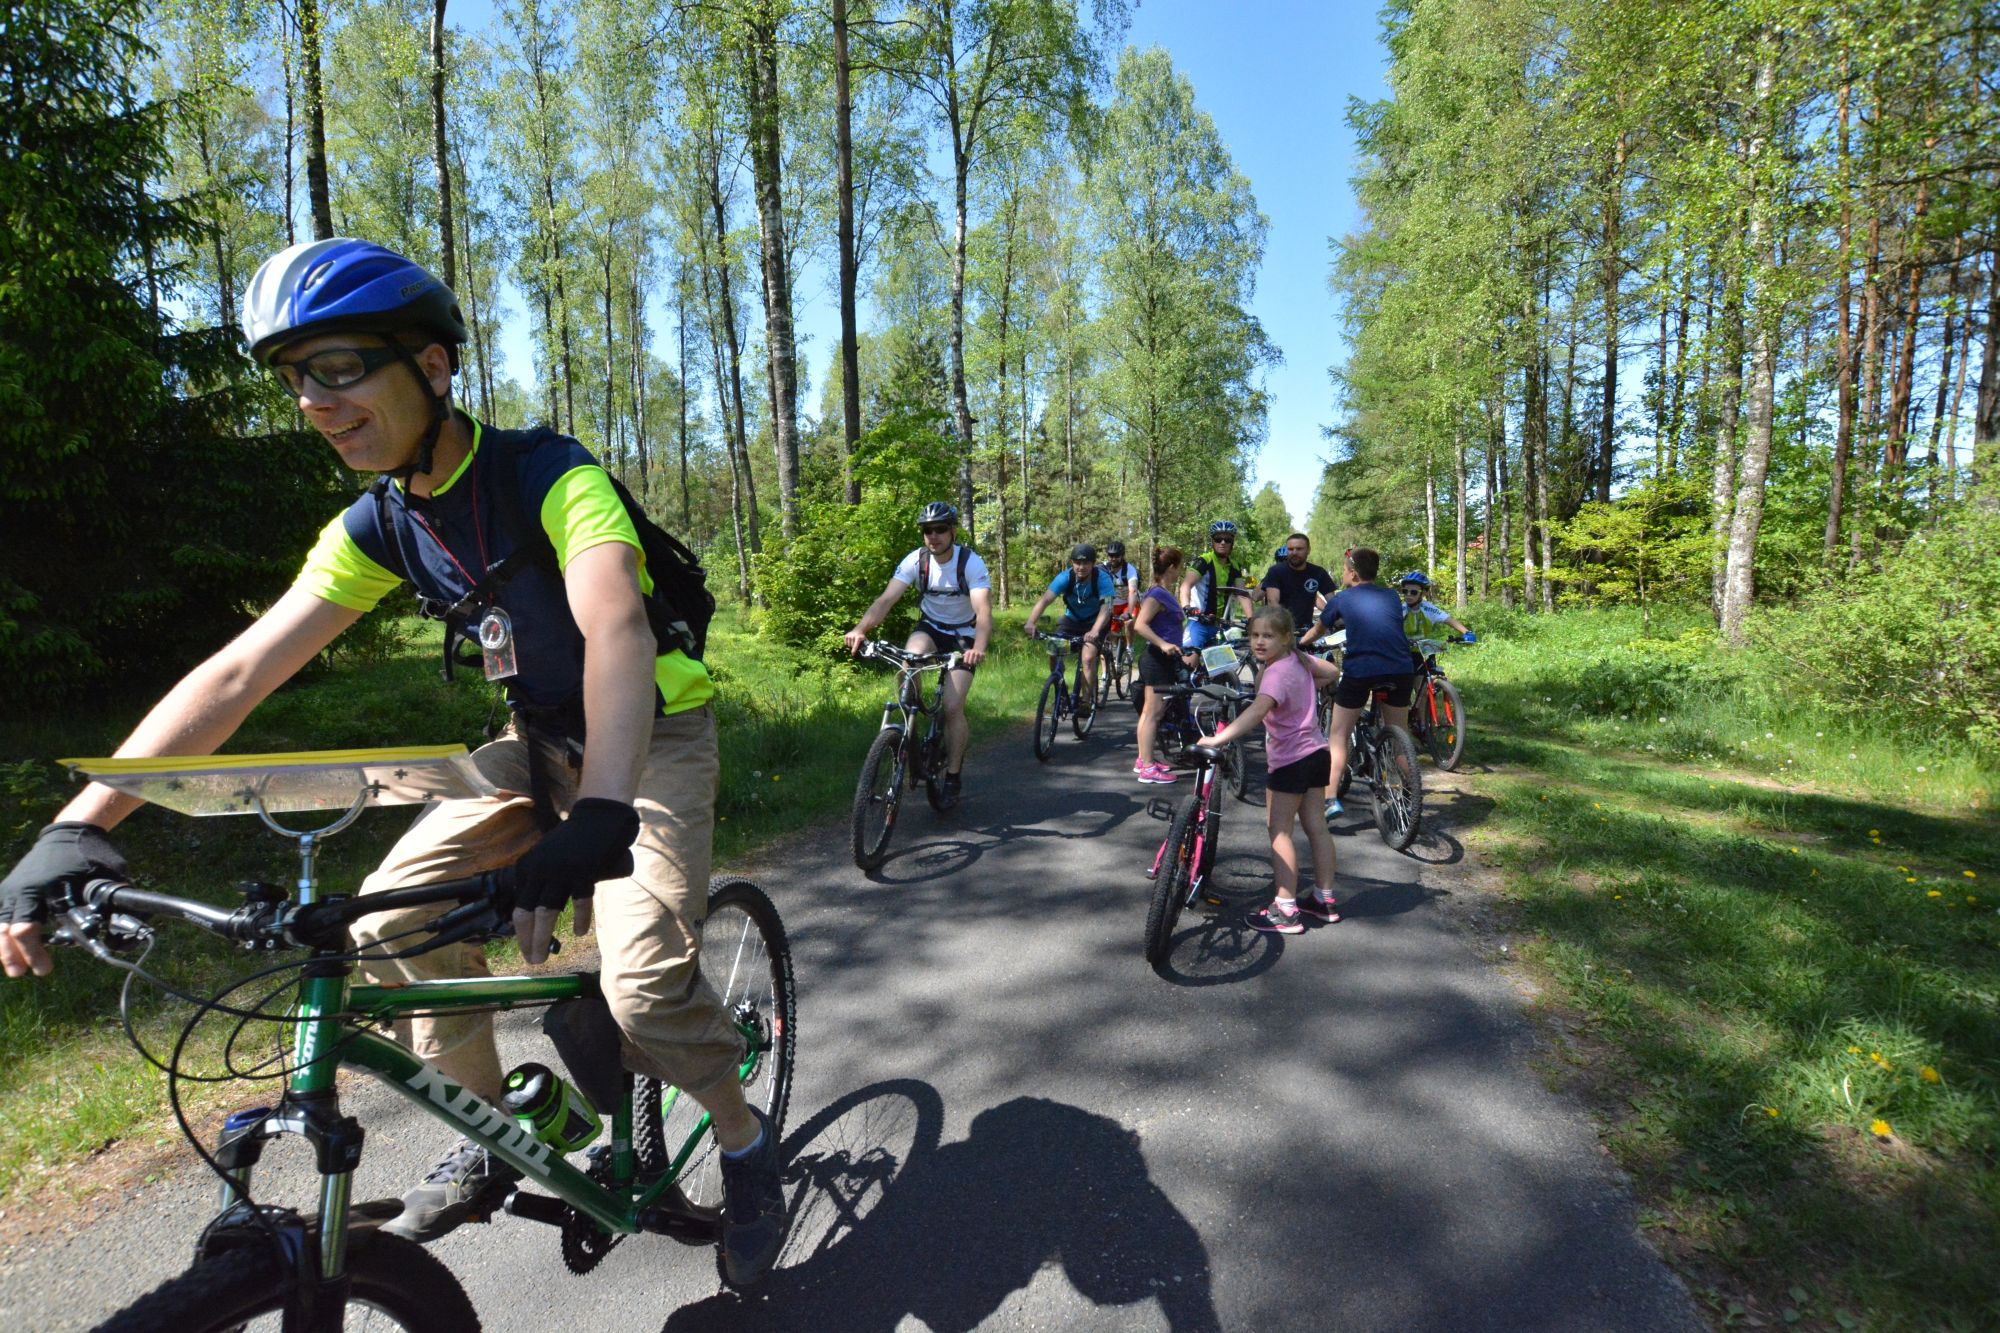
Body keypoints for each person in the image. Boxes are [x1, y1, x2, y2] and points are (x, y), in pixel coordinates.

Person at [0, 238, 787, 1284]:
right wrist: (81, 823)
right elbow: (241, 670)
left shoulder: (551, 474)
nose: (312, 403)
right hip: (535, 746)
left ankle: (742, 1138)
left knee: (641, 985)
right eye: (294, 378)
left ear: (432, 365)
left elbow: (616, 630)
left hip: (649, 740)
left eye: (337, 367)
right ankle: (489, 1126)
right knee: (384, 923)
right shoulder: (381, 524)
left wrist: (604, 808)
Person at [1198, 605, 1343, 933]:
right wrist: (1306, 686)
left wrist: (1219, 738)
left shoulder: (1276, 673)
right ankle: (1324, 899)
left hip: (1290, 760)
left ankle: (1286, 908)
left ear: (1286, 637)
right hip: (1316, 754)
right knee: (1317, 827)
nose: (1259, 642)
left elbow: (1258, 711)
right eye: (1254, 635)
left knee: (1279, 831)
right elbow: (1332, 672)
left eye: (1268, 636)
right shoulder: (1300, 661)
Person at [843, 502, 992, 810]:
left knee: (952, 707)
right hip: (931, 627)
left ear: (952, 531)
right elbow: (886, 600)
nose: (933, 536)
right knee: (908, 663)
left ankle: (953, 776)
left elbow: (983, 610)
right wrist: (860, 629)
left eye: (940, 529)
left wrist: (978, 647)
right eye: (927, 530)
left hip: (964, 635)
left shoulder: (970, 563)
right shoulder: (916, 560)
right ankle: (911, 726)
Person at [1301, 546, 1414, 824]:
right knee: (1400, 736)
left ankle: (1330, 799)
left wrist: (1299, 644)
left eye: (1343, 569)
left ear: (1353, 573)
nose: (1343, 574)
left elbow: (1319, 629)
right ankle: (1414, 793)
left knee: (1338, 736)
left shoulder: (1343, 598)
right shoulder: (1391, 595)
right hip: (1401, 669)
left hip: (1362, 670)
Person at [1131, 546, 1197, 784]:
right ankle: (1148, 768)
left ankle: (1143, 759)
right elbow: (1140, 625)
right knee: (1153, 712)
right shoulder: (1157, 594)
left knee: (1153, 712)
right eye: (1178, 567)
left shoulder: (1162, 592)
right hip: (1156, 660)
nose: (1179, 572)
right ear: (1171, 568)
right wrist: (1163, 644)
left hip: (1163, 660)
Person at [1024, 544, 1117, 706]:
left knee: (1087, 658)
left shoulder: (1103, 579)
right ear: (1072, 563)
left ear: (1093, 563)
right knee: (1054, 650)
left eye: (1086, 563)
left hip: (1096, 622)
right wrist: (1031, 622)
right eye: (1077, 563)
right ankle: (1060, 687)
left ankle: (1085, 702)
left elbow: (1107, 608)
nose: (1081, 567)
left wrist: (1095, 630)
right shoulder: (1065, 577)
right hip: (1072, 620)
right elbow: (1045, 600)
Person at [1178, 520, 1253, 651]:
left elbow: (1242, 594)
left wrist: (1252, 619)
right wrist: (1187, 607)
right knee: (1190, 656)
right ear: (1212, 541)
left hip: (1223, 624)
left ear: (1232, 543)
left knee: (1228, 662)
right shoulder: (1204, 561)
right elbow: (1186, 586)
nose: (1222, 542)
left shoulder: (1235, 566)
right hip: (1200, 622)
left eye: (1227, 539)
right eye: (1218, 539)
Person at [1261, 533, 1336, 639]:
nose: (1294, 553)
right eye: (1290, 549)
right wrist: (1284, 629)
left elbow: (1333, 602)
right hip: (1280, 631)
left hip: (1307, 631)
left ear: (1308, 550)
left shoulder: (1318, 572)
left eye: (1299, 549)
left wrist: (1339, 619)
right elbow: (1273, 603)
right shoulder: (1276, 571)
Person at [1394, 571, 1476, 663]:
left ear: (1424, 593)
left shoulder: (1428, 609)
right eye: (1405, 591)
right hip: (1400, 652)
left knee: (1429, 670)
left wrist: (1467, 633)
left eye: (1413, 592)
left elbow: (1449, 620)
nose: (1408, 595)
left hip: (1421, 652)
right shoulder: (1399, 609)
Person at [1102, 540, 1140, 656]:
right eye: (1110, 555)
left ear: (1122, 556)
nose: (1113, 558)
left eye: (1116, 556)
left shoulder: (1129, 570)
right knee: (1111, 630)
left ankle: (1129, 648)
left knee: (1128, 622)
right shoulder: (1103, 568)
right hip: (1112, 603)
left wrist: (1129, 612)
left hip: (1128, 603)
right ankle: (1115, 651)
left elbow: (1133, 591)